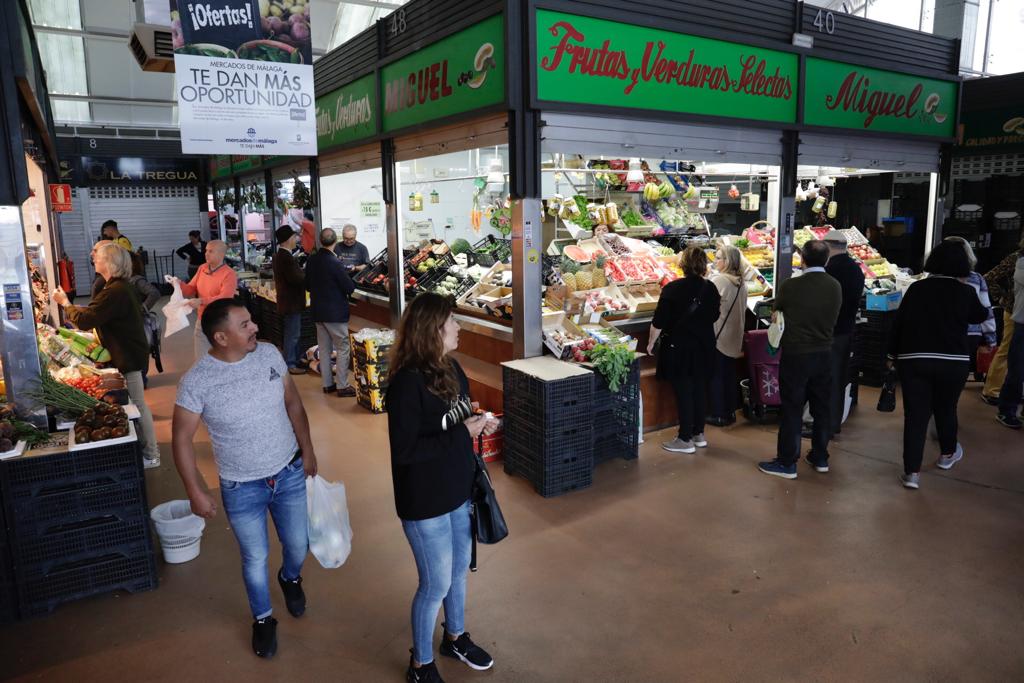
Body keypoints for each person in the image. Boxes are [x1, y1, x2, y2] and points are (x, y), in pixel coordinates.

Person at [172, 298, 317, 658]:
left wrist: (308, 450)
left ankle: (290, 577)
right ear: (220, 337)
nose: (254, 328)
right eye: (245, 325)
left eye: (251, 321)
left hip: (287, 472)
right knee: (254, 558)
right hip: (240, 486)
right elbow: (180, 439)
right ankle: (264, 619)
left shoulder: (269, 355)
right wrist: (195, 490)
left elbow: (294, 404)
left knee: (299, 545)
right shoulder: (197, 381)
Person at [386, 293, 499, 683]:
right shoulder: (406, 384)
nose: (458, 327)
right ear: (432, 329)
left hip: (457, 490)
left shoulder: (452, 368)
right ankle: (420, 663)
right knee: (434, 584)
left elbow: (458, 419)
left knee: (457, 576)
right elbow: (405, 451)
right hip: (424, 501)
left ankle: (454, 636)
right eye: (452, 320)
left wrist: (481, 421)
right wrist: (461, 434)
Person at [887, 241, 989, 488]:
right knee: (946, 409)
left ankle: (912, 474)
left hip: (915, 359)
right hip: (953, 361)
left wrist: (891, 355)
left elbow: (898, 324)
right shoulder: (965, 291)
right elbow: (981, 315)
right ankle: (947, 455)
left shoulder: (917, 289)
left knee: (916, 416)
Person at [52, 243, 161, 469]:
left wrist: (65, 304)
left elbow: (86, 319)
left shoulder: (115, 290)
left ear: (110, 262)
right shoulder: (117, 287)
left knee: (139, 404)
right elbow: (96, 313)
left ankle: (151, 454)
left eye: (98, 256)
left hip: (128, 354)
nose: (94, 259)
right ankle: (145, 449)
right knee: (136, 403)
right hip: (128, 350)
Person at [757, 241, 841, 479]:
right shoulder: (835, 286)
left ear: (802, 259)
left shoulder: (790, 286)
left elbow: (777, 311)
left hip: (796, 354)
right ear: (826, 260)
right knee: (821, 408)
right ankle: (820, 457)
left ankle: (787, 462)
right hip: (825, 353)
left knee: (793, 408)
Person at [648, 246, 721, 454]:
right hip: (705, 346)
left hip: (680, 348)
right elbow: (715, 315)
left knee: (684, 391)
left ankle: (684, 438)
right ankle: (699, 434)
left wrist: (650, 343)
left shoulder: (672, 288)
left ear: (683, 264)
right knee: (699, 389)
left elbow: (658, 321)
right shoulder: (711, 288)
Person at [821, 230, 865, 437]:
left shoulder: (829, 271)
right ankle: (833, 423)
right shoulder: (856, 269)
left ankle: (824, 425)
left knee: (825, 379)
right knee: (838, 378)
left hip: (829, 332)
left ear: (828, 246)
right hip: (846, 330)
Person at [305, 228, 357, 397]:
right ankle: (342, 385)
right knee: (343, 347)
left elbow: (307, 285)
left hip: (318, 312)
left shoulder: (312, 260)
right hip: (334, 313)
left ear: (320, 241)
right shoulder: (334, 263)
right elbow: (349, 287)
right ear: (336, 241)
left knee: (324, 349)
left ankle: (328, 384)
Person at [944, 237, 997, 381]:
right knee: (960, 371)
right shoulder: (976, 278)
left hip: (942, 332)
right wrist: (991, 339)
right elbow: (986, 311)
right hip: (970, 334)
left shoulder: (934, 278)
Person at [174, 240, 238, 359]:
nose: (206, 254)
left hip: (220, 322)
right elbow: (190, 289)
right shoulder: (202, 268)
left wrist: (202, 301)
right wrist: (179, 284)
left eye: (211, 251)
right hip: (202, 320)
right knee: (201, 360)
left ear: (221, 254)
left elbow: (225, 298)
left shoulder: (229, 274)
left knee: (221, 359)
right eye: (206, 250)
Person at [707, 245, 747, 427]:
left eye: (718, 258)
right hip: (733, 336)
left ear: (727, 261)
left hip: (718, 335)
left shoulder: (720, 280)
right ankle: (729, 412)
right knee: (729, 375)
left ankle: (718, 414)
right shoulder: (740, 281)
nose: (715, 262)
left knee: (716, 376)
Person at [981, 239, 1023, 405]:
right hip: (1013, 310)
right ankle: (992, 389)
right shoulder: (1015, 258)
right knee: (1006, 350)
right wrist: (1001, 296)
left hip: (1016, 310)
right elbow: (989, 277)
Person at [995, 247, 1024, 429]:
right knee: (1017, 371)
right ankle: (1006, 410)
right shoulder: (1021, 262)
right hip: (1022, 325)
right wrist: (1003, 298)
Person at [272, 226, 308, 374]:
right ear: (288, 240)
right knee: (293, 334)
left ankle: (296, 359)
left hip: (287, 301)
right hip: (291, 302)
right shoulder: (285, 257)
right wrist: (306, 273)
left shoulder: (279, 255)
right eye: (294, 237)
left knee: (293, 333)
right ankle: (291, 363)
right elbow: (295, 278)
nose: (296, 240)